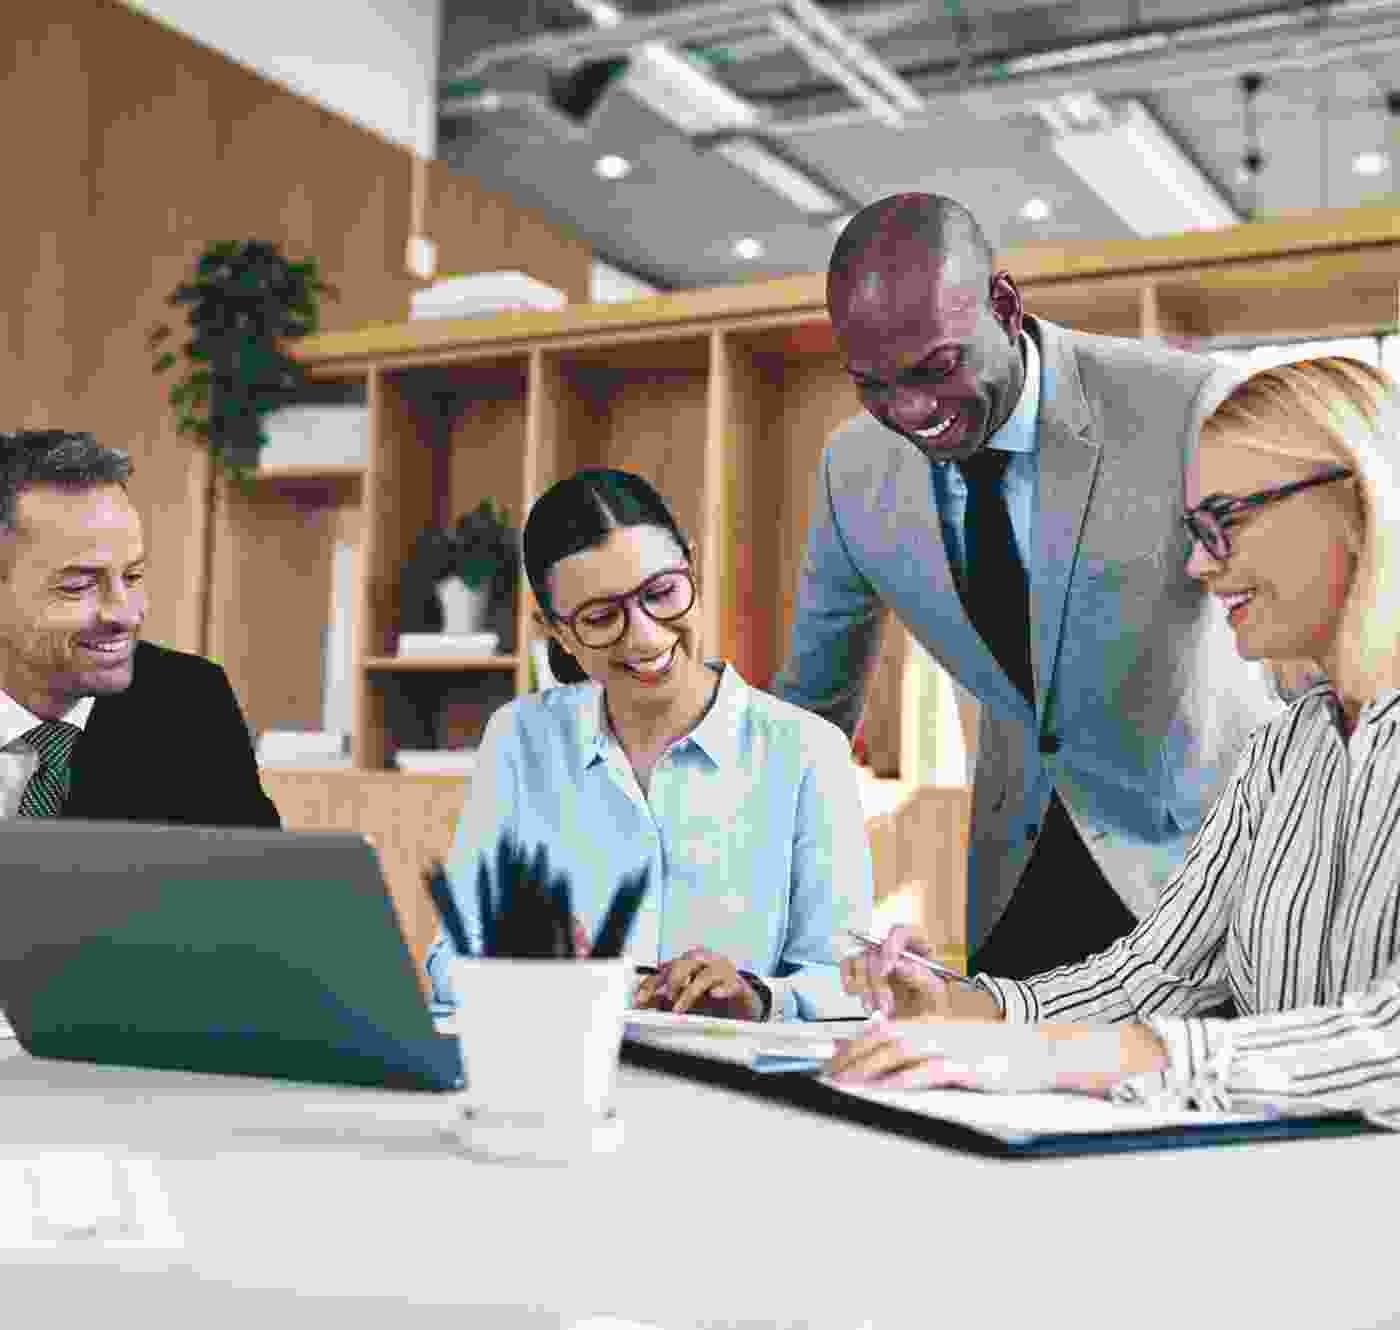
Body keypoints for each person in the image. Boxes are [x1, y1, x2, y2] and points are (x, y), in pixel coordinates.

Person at [830, 357, 1400, 1125]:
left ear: (1356, 499)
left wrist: (1056, 1057)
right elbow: (1153, 973)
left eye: (1224, 521)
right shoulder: (1282, 753)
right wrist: (963, 1008)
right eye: (1194, 531)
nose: (1199, 565)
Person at [772, 192, 1281, 982]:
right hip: (1020, 885)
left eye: (938, 367)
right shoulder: (853, 471)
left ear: (1005, 308)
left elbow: (1308, 644)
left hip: (1207, 873)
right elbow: (811, 714)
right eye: (873, 384)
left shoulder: (1186, 406)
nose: (911, 410)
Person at [426, 467, 871, 1021]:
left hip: (737, 1073)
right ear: (557, 631)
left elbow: (845, 986)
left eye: (661, 593)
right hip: (559, 1060)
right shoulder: (520, 739)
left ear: (691, 567)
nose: (644, 635)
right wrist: (535, 973)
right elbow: (449, 961)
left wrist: (757, 997)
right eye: (601, 617)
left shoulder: (806, 750)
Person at [0, 429, 279, 827]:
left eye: (132, 577)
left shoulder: (189, 704)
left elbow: (256, 866)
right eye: (77, 586)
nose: (125, 613)